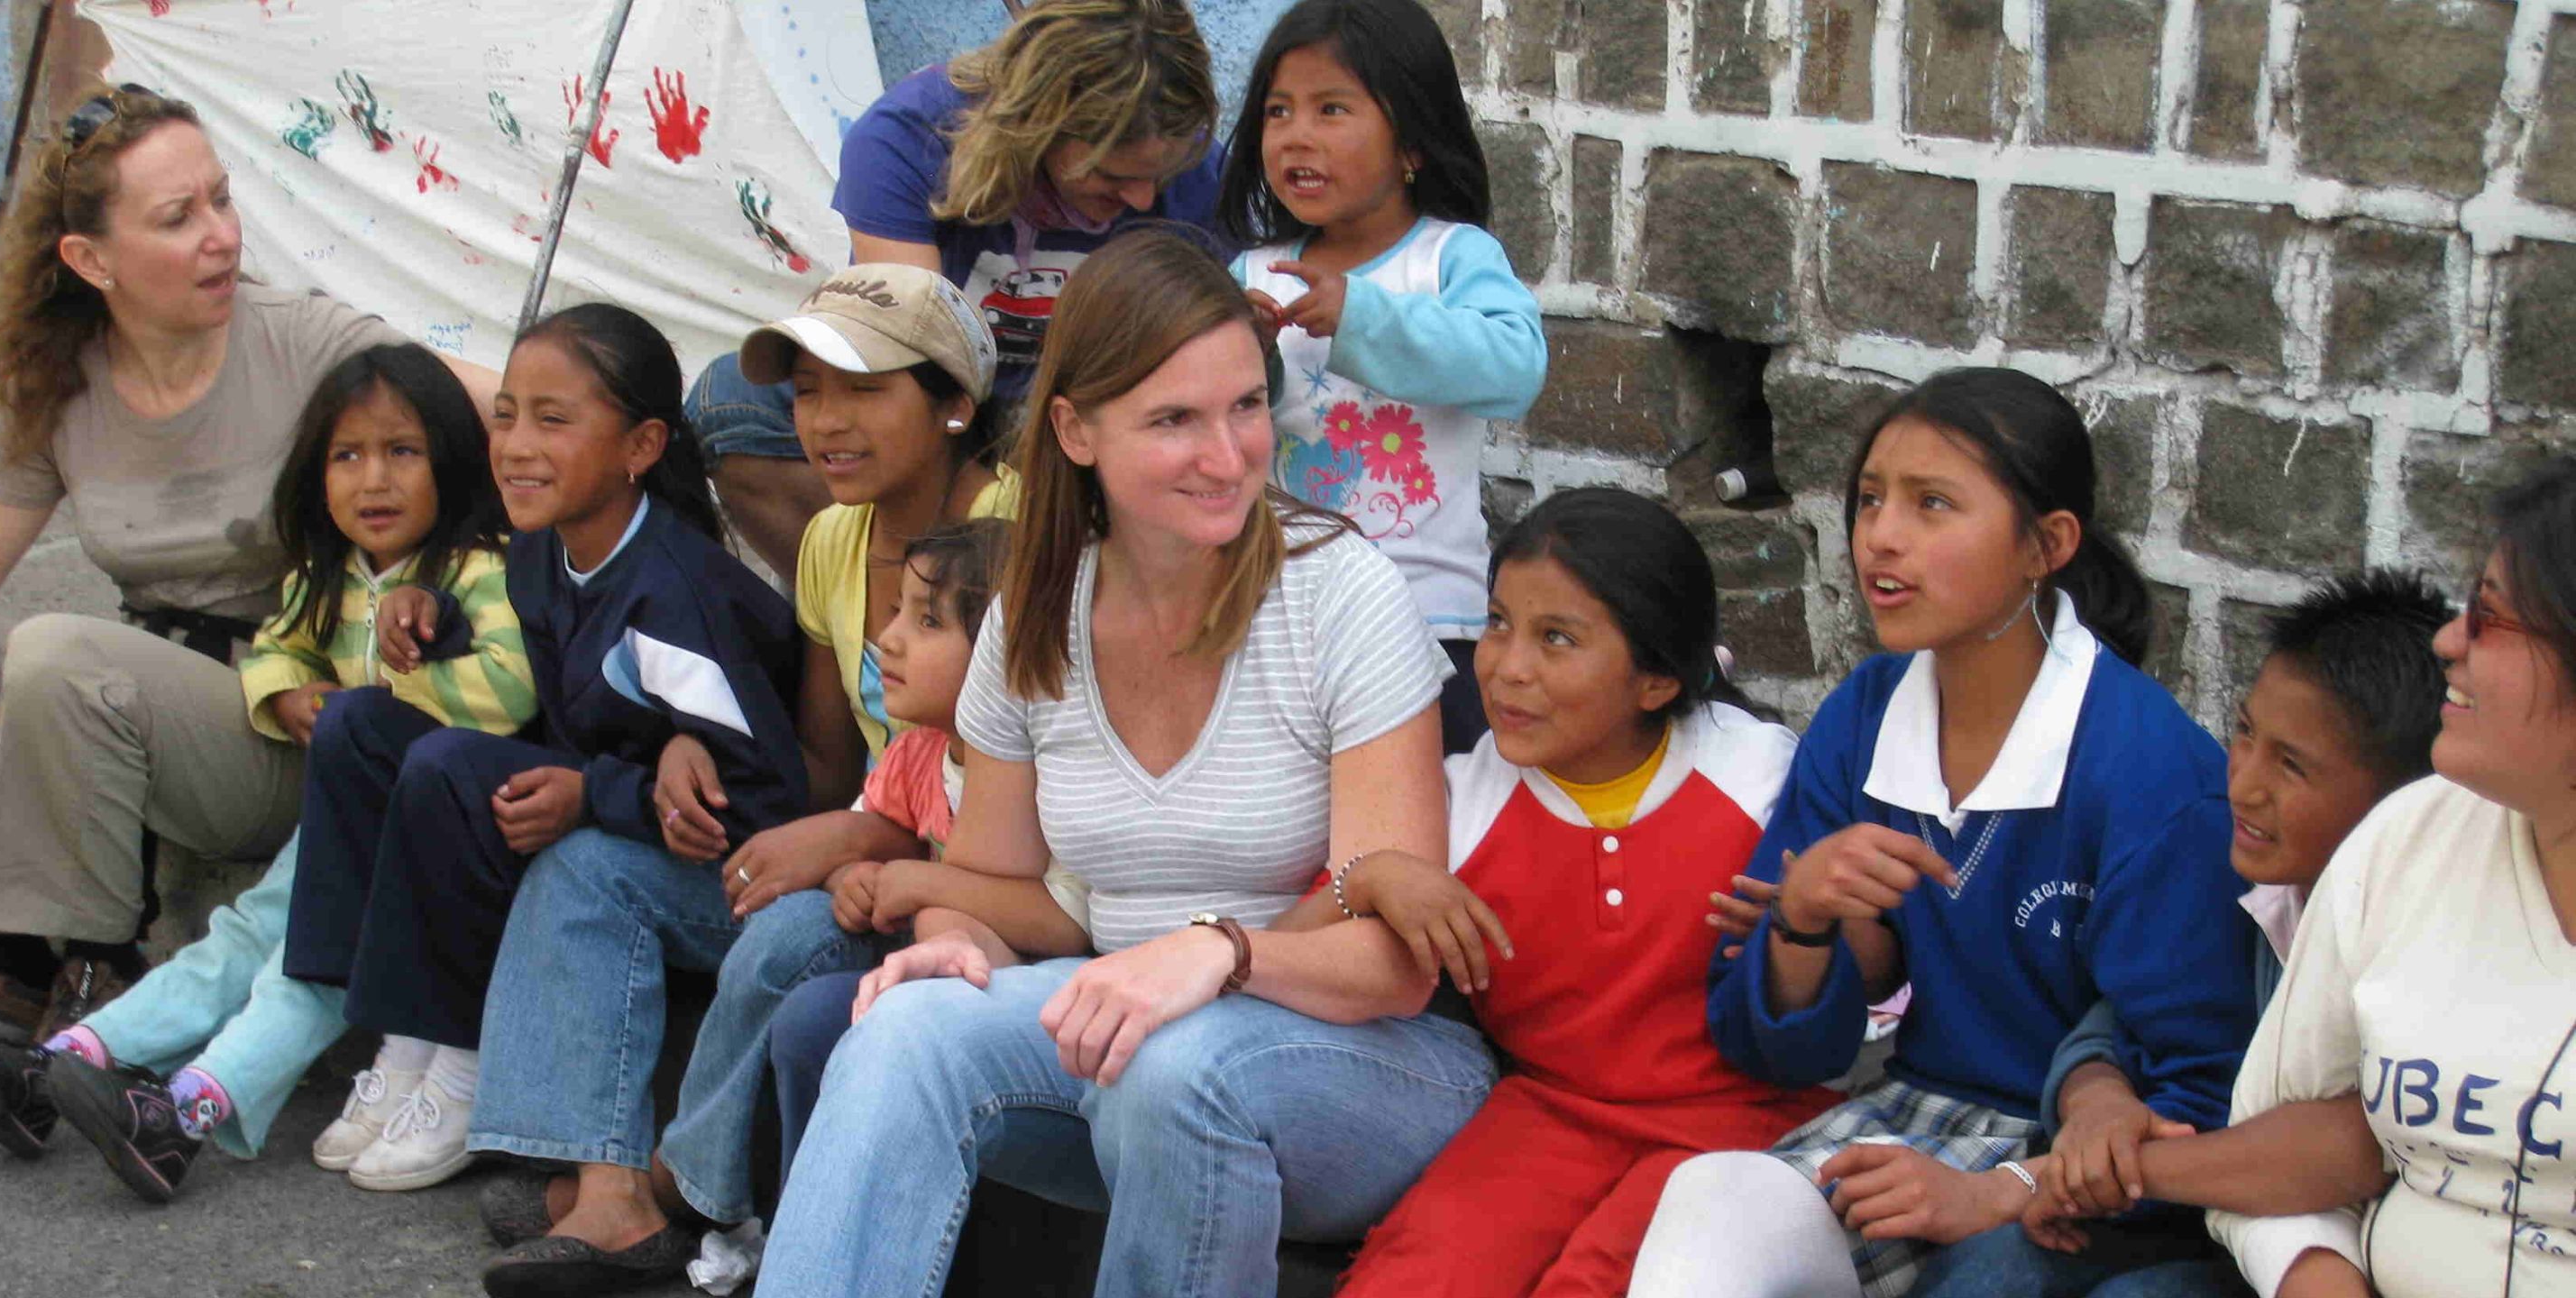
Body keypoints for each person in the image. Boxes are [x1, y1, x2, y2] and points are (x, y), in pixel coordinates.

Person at [753, 228, 1495, 1298]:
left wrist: (1220, 954)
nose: (1229, 452)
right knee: (908, 1027)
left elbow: (1397, 958)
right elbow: (1006, 891)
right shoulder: (1036, 614)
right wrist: (955, 943)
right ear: (1076, 429)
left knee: (1175, 1066)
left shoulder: (1343, 596)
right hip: (1124, 1036)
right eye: (1174, 420)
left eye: (1245, 406)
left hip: (1368, 1068)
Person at [1626, 368, 2259, 1298]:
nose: (1881, 535)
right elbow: (1780, 1052)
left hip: (2083, 1167)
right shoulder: (1866, 714)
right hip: (1915, 1107)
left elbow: (2198, 1103)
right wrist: (1804, 921)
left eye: (1933, 505)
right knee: (1713, 1201)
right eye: (1872, 499)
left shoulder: (2151, 773)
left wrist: (2004, 1188)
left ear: (2047, 545)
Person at [476, 266, 1026, 1254]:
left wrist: (858, 837)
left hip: (976, 893)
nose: (826, 423)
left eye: (865, 390)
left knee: (789, 935)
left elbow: (1054, 781)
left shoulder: (1024, 534)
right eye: (808, 392)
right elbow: (816, 764)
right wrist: (687, 741)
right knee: (585, 867)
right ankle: (602, 1181)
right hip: (868, 846)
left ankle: (684, 1187)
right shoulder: (831, 537)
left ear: (953, 405)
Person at [0, 83, 494, 1039]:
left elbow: (518, 417)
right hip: (146, 697)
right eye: (179, 218)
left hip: (289, 717)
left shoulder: (304, 344)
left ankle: (47, 968)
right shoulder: (55, 380)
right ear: (91, 260)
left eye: (221, 198)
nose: (221, 235)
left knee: (56, 654)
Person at [0, 343, 529, 1202]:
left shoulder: (480, 566)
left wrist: (384, 690)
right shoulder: (333, 574)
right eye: (347, 455)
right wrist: (288, 701)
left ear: (452, 460)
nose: (373, 480)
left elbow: (510, 691)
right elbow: (277, 652)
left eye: (402, 452)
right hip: (345, 818)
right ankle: (70, 1064)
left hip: (424, 836)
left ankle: (190, 1113)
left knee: (308, 968)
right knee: (244, 935)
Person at [280, 305, 802, 1200]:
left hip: (707, 873)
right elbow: (543, 682)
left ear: (640, 447)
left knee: (445, 769)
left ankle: (463, 1054)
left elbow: (764, 806)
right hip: (596, 798)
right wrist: (438, 623)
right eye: (507, 413)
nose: (517, 444)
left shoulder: (677, 603)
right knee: (358, 728)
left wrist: (596, 795)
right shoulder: (538, 549)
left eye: (553, 421)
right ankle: (401, 1033)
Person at [2031, 458, 2576, 1298]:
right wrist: (2316, 1272)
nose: (2450, 643)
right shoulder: (2408, 837)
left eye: (2493, 620)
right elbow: (2302, 1139)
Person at [1326, 487, 1828, 1297]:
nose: (1506, 666)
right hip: (1550, 1115)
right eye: (1497, 623)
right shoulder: (1463, 796)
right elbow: (1306, 925)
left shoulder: (1761, 777)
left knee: (1595, 1284)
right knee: (1411, 1280)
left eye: (1556, 638)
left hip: (1741, 1124)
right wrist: (1376, 874)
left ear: (1657, 680)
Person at [1897, 570, 2451, 1296]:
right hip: (2192, 1205)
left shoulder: (2421, 940)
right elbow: (2127, 1015)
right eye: (2245, 733)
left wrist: (2067, 1176)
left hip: (2325, 1245)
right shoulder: (2247, 880)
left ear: (2399, 800)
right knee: (1984, 1277)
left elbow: (2359, 1143)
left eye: (2292, 766)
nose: (2244, 784)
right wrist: (2099, 1100)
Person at [696, 0, 1224, 587]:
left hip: (1086, 411)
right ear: (1035, 126)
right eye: (1112, 178)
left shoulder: (1194, 167)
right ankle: (881, 613)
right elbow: (913, 359)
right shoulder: (908, 140)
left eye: (1159, 175)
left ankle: (1004, 609)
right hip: (949, 396)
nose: (1146, 200)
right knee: (732, 402)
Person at [1221, 0, 1545, 754]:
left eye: (1332, 108)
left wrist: (1365, 318)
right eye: (1278, 111)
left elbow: (1515, 367)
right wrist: (1244, 346)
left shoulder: (1449, 258)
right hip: (1279, 615)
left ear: (1413, 142)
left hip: (1429, 616)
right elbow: (1220, 424)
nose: (1297, 134)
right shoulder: (1252, 272)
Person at [760, 518, 1094, 1184]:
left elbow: (1067, 923)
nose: (889, 640)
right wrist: (853, 877)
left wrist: (916, 883)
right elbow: (863, 836)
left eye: (929, 622)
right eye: (896, 614)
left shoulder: (1061, 775)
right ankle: (795, 1224)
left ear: (1008, 648)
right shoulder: (918, 753)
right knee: (805, 1024)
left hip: (1042, 1003)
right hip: (941, 975)